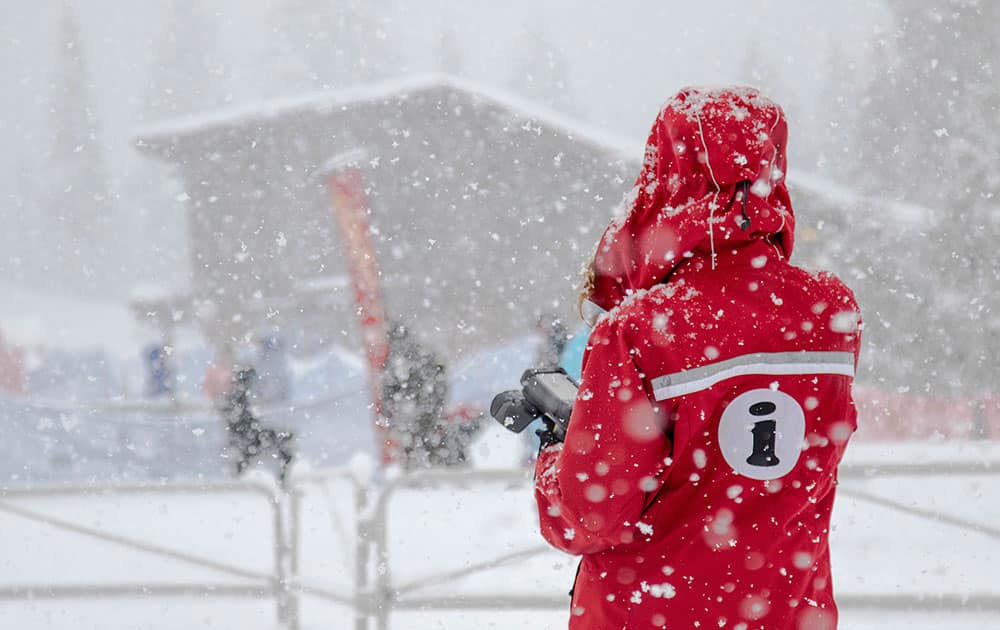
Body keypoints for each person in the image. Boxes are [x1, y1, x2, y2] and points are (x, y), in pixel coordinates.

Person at [533, 87, 862, 630]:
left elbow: (590, 514)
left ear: (665, 172)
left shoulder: (641, 328)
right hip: (783, 612)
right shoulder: (830, 314)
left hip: (650, 613)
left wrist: (553, 454)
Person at [222, 365, 294, 483]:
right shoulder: (239, 398)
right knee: (284, 441)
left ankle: (283, 476)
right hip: (249, 439)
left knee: (284, 438)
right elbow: (242, 425)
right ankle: (283, 478)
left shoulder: (239, 396)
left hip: (250, 437)